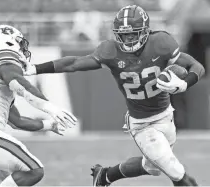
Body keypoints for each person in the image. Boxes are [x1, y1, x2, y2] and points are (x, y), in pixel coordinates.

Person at [22, 5, 205, 186]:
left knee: (152, 167)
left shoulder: (161, 43)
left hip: (166, 116)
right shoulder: (111, 51)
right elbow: (74, 63)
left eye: (133, 33)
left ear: (145, 31)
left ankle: (104, 176)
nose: (129, 39)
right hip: (142, 125)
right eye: (124, 35)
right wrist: (36, 68)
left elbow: (197, 67)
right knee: (176, 171)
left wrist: (184, 84)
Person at [0, 25, 77, 187]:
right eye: (19, 42)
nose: (22, 48)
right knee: (34, 171)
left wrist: (49, 125)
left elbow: (16, 120)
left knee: (16, 180)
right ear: (8, 42)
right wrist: (51, 108)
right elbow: (23, 88)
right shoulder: (3, 62)